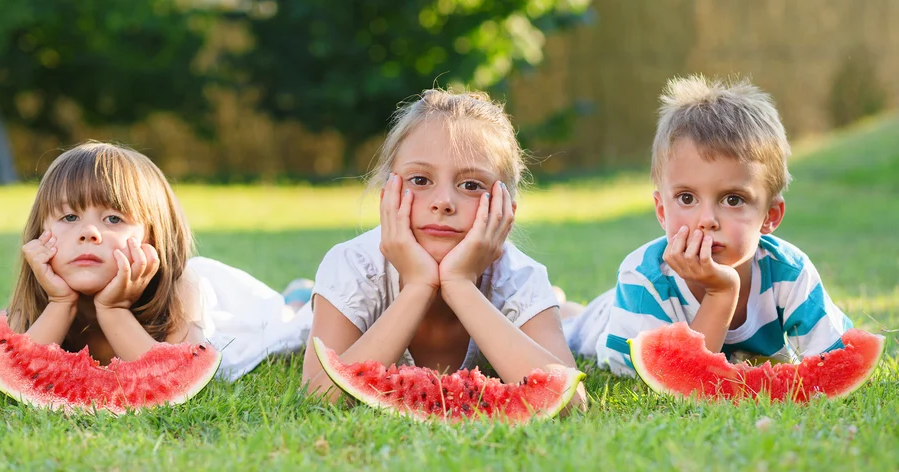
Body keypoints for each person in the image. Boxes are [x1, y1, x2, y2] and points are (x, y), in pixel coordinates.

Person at [300, 89, 584, 407]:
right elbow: (320, 394)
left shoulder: (518, 277)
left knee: (571, 318)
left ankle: (562, 304)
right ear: (386, 199)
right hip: (317, 308)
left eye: (471, 185)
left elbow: (570, 400)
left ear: (505, 212)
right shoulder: (353, 266)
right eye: (420, 180)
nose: (443, 203)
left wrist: (459, 284)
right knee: (291, 320)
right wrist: (419, 285)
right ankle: (299, 296)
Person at [560, 76, 854, 376]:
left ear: (770, 216)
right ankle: (562, 306)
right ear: (662, 211)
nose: (707, 220)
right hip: (610, 316)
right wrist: (720, 292)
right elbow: (676, 381)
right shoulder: (642, 280)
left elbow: (835, 358)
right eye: (687, 198)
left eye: (733, 199)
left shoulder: (789, 274)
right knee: (571, 324)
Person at [0, 141, 309, 385]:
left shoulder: (181, 288)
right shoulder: (38, 292)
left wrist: (113, 310)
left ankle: (297, 297)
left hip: (224, 318)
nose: (89, 232)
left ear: (154, 238)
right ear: (40, 232)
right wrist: (60, 302)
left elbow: (179, 380)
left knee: (285, 325)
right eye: (69, 216)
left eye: (113, 218)